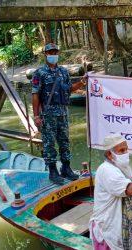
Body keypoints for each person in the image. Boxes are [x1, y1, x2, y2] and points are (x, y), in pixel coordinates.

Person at [32, 43, 86, 184]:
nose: (53, 55)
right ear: (45, 54)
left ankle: (66, 168)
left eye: (55, 52)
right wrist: (36, 116)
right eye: (50, 52)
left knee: (64, 141)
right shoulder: (39, 73)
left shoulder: (63, 72)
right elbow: (35, 95)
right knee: (49, 143)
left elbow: (69, 89)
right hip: (48, 114)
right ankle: (53, 171)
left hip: (63, 113)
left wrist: (81, 82)